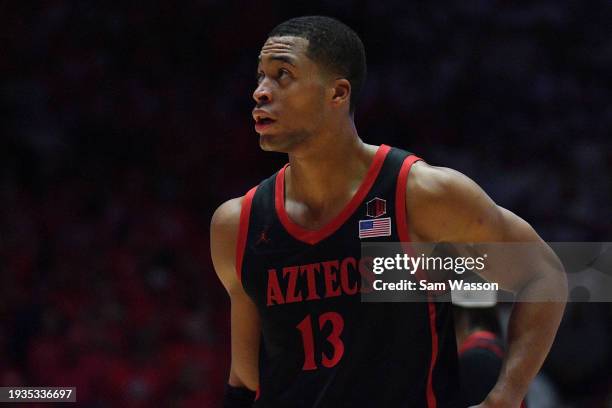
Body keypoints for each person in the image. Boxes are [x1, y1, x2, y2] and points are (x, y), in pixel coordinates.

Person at [210, 16, 567, 408]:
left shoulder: (423, 194)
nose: (261, 92)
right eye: (260, 76)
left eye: (283, 75)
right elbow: (244, 381)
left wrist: (506, 395)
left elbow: (544, 275)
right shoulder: (236, 224)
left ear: (338, 93)